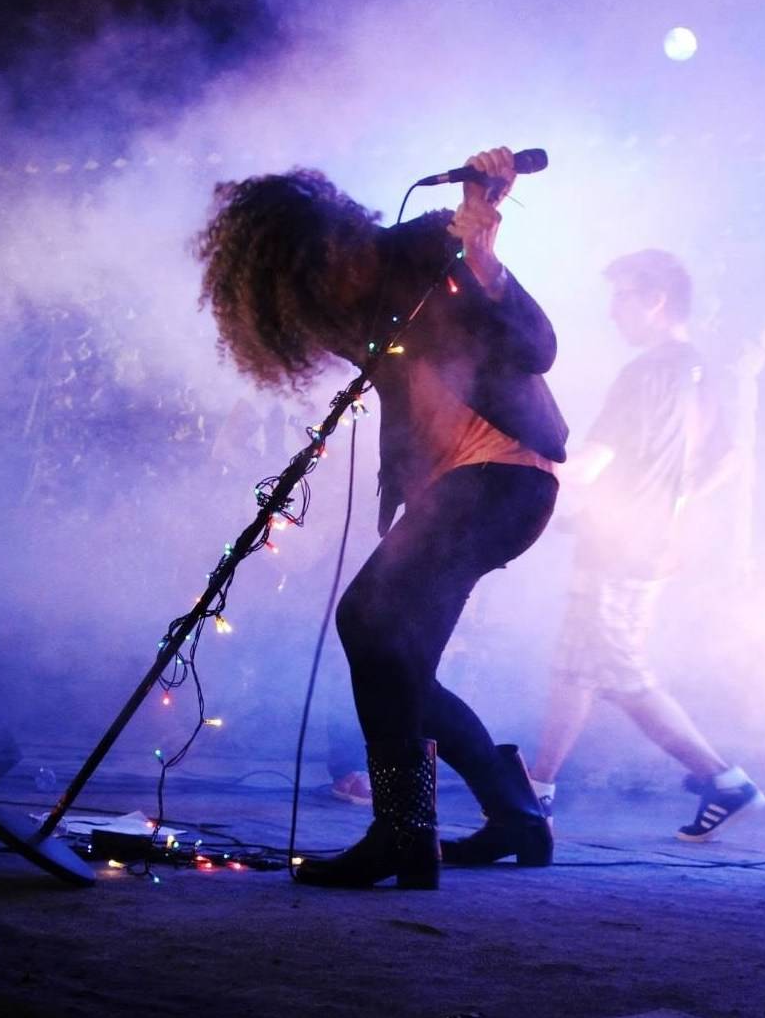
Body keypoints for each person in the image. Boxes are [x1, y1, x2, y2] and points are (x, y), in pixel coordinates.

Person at [195, 147, 567, 889]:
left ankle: (403, 832)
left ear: (346, 232)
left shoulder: (430, 248)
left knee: (367, 621)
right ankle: (515, 815)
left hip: (502, 473)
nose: (333, 278)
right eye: (308, 278)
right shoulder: (342, 309)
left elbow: (537, 347)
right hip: (451, 490)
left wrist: (481, 245)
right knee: (399, 666)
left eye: (334, 256)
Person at [525, 249, 765, 842]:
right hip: (640, 542)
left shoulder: (646, 373)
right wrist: (672, 505)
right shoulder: (698, 371)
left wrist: (522, 466)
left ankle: (726, 780)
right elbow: (729, 459)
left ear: (655, 300)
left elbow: (592, 463)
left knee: (622, 674)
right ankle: (537, 792)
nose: (612, 311)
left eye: (622, 296)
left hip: (624, 546)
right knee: (578, 669)